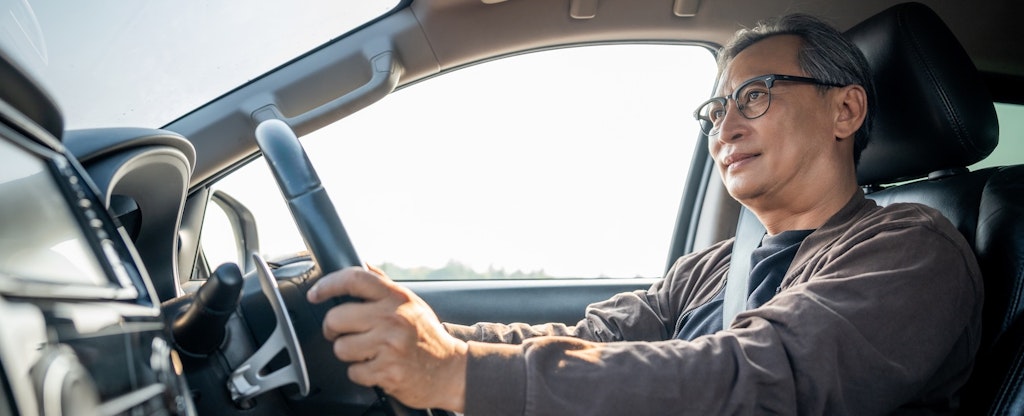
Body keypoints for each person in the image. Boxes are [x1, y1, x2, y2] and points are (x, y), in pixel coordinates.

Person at [306, 12, 983, 415]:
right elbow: (594, 337)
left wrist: (456, 371)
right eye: (715, 112)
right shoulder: (714, 268)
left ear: (846, 110)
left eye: (754, 95)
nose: (723, 129)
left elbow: (760, 381)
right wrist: (409, 333)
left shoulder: (912, 250)